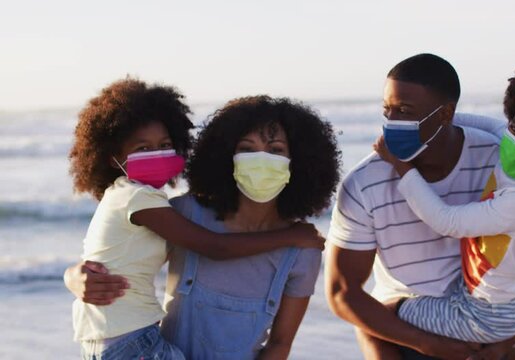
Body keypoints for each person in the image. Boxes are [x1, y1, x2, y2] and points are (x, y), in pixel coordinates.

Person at [325, 54, 515, 360]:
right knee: (371, 326)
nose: (392, 122)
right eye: (387, 110)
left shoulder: (501, 159)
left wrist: (513, 336)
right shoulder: (364, 183)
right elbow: (342, 292)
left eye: (405, 111)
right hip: (407, 335)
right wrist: (425, 344)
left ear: (446, 114)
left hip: (485, 330)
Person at [65, 82, 337, 359]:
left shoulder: (303, 251)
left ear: (299, 160)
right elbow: (122, 255)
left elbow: (280, 344)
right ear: (227, 155)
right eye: (247, 148)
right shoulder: (185, 213)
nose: (261, 159)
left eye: (276, 150)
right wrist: (74, 276)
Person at [372, 60, 515, 347]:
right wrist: (430, 122)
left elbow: (447, 221)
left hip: (485, 314)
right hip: (514, 288)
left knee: (378, 315)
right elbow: (486, 125)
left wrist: (402, 167)